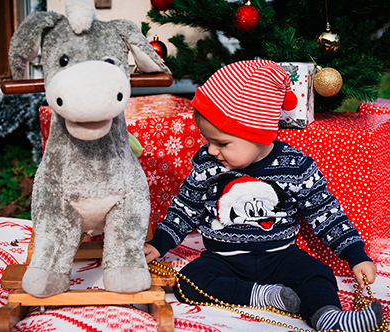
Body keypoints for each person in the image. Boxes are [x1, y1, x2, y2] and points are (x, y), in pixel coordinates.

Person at [143, 60, 383, 331]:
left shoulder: (295, 166)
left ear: (258, 134)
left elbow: (324, 213)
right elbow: (186, 207)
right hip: (224, 260)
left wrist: (355, 254)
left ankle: (327, 316)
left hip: (280, 255)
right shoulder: (208, 165)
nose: (210, 150)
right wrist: (160, 242)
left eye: (221, 143)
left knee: (317, 274)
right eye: (207, 140)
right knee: (188, 282)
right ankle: (263, 296)